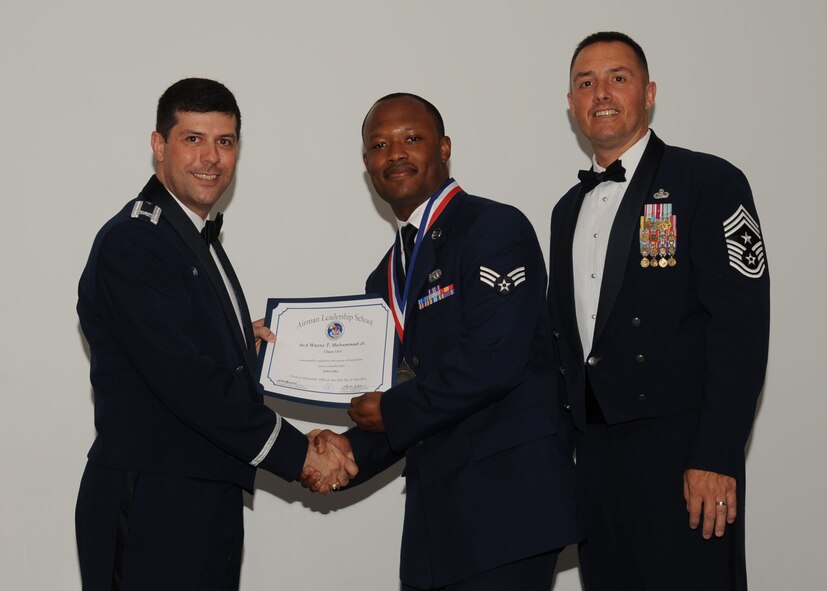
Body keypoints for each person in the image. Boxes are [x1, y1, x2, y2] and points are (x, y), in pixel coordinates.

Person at [75, 77, 356, 590]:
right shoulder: (137, 241)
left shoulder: (190, 237)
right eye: (193, 139)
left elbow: (182, 346)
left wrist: (235, 340)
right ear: (159, 146)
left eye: (224, 142)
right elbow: (189, 382)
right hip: (154, 502)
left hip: (205, 494)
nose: (211, 157)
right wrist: (299, 455)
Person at [310, 93, 581, 591]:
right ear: (366, 164)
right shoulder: (383, 279)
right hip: (437, 517)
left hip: (507, 508)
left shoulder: (494, 227)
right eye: (379, 145)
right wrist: (331, 455)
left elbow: (494, 360)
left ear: (444, 148)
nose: (395, 154)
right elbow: (390, 405)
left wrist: (391, 411)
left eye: (411, 139)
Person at [547, 32, 770, 590]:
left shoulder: (709, 181)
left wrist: (717, 456)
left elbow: (740, 328)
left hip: (683, 456)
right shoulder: (564, 211)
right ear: (571, 104)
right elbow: (564, 348)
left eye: (617, 78)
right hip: (597, 460)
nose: (601, 93)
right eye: (586, 82)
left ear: (648, 93)